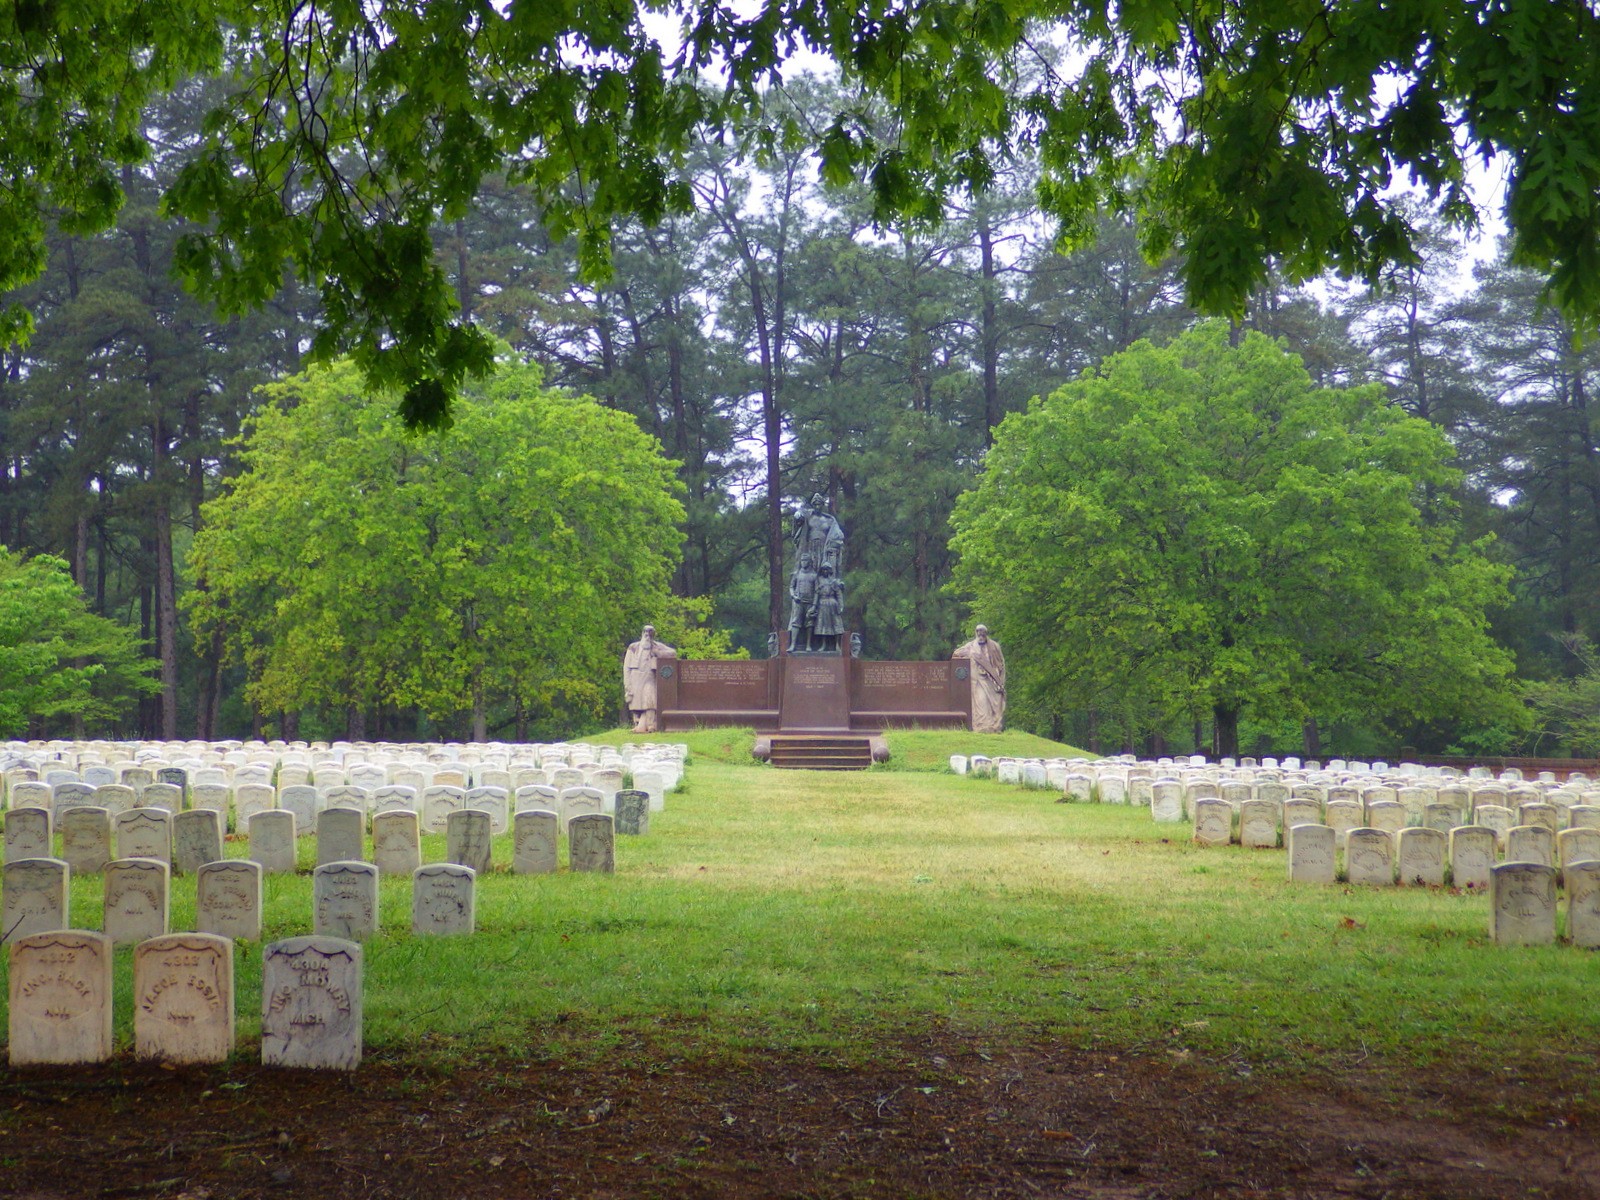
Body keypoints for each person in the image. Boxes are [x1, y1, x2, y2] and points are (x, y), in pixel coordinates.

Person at [622, 625, 677, 733]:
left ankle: (651, 725)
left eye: (650, 633)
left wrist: (658, 653)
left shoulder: (656, 646)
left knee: (649, 700)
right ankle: (638, 724)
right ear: (642, 634)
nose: (647, 635)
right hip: (635, 678)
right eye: (645, 632)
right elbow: (626, 668)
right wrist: (628, 686)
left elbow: (673, 653)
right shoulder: (633, 647)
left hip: (649, 677)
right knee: (636, 703)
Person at [952, 624, 1006, 733]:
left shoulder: (994, 647)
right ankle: (981, 727)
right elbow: (956, 655)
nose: (981, 636)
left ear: (986, 634)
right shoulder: (970, 647)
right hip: (977, 681)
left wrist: (1001, 681)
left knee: (996, 704)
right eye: (979, 634)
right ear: (976, 633)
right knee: (981, 702)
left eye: (983, 634)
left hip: (992, 681)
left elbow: (1001, 665)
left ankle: (994, 727)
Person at [791, 492, 844, 574]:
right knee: (811, 568)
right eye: (815, 504)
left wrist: (834, 543)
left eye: (819, 504)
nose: (817, 506)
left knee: (824, 568)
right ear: (812, 505)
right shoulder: (808, 517)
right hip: (810, 547)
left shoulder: (829, 519)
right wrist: (798, 514)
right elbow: (799, 517)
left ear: (822, 505)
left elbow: (837, 534)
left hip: (824, 547)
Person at [788, 553, 819, 653]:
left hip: (809, 602)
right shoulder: (797, 574)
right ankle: (793, 645)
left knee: (809, 624)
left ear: (809, 562)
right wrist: (793, 596)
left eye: (805, 561)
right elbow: (791, 587)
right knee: (795, 622)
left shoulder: (814, 575)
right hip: (798, 602)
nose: (803, 562)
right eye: (802, 560)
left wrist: (814, 605)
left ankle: (808, 645)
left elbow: (817, 591)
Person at [811, 562, 844, 653]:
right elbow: (816, 594)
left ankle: (837, 645)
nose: (825, 571)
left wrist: (841, 605)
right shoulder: (819, 580)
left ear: (830, 570)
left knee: (836, 623)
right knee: (823, 625)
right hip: (822, 604)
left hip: (833, 604)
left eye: (827, 569)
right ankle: (823, 645)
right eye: (824, 569)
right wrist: (814, 606)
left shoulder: (834, 581)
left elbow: (839, 594)